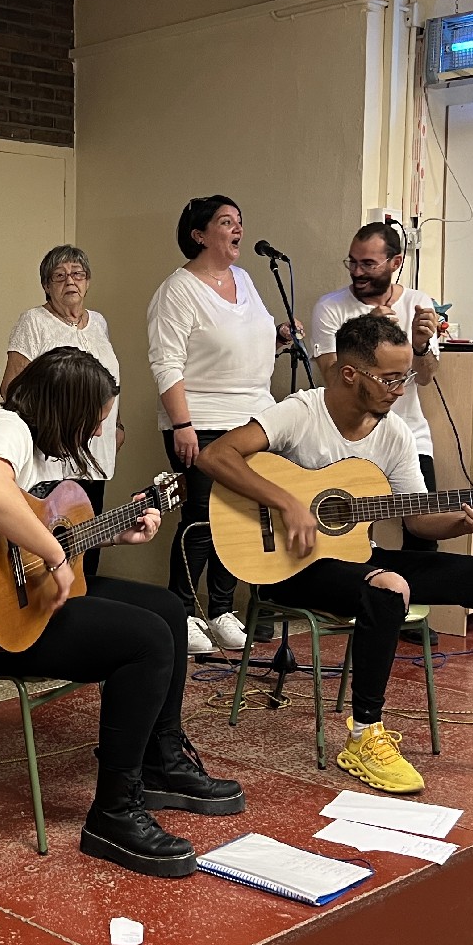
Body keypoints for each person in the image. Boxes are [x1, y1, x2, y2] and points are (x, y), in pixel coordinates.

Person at [198, 313, 473, 794]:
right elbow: (216, 456)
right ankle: (364, 736)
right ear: (351, 374)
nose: (401, 389)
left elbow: (418, 519)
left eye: (406, 376)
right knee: (388, 586)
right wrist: (287, 502)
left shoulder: (395, 433)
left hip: (357, 559)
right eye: (390, 378)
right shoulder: (300, 412)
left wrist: (461, 521)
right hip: (291, 567)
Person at [0, 347, 246, 877]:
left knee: (165, 608)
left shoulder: (33, 445)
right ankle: (113, 813)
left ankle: (159, 762)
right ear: (64, 408)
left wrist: (113, 533)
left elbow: (37, 534)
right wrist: (53, 554)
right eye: (94, 420)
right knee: (145, 640)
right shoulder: (5, 429)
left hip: (11, 601)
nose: (96, 432)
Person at [147, 195, 297, 655]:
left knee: (240, 519)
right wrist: (182, 424)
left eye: (239, 222)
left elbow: (245, 345)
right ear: (200, 234)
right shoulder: (177, 290)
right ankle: (182, 612)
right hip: (201, 420)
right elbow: (166, 362)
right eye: (226, 222)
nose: (237, 230)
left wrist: (279, 340)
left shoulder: (245, 279)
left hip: (252, 419)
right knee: (201, 518)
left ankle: (222, 610)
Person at [309, 221, 442, 552]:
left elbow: (425, 377)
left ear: (395, 262)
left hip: (409, 436)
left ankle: (410, 588)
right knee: (347, 538)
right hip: (347, 441)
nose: (357, 272)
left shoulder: (418, 302)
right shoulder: (331, 307)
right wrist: (369, 332)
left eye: (368, 264)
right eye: (352, 262)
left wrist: (420, 346)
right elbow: (332, 378)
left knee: (423, 540)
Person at [1, 244, 122, 577]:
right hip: (54, 457)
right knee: (57, 545)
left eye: (77, 274)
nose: (70, 281)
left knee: (89, 545)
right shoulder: (34, 322)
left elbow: (107, 383)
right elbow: (12, 390)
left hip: (95, 453)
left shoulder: (99, 323)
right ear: (46, 285)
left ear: (88, 281)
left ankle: (85, 605)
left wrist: (117, 426)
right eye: (59, 276)